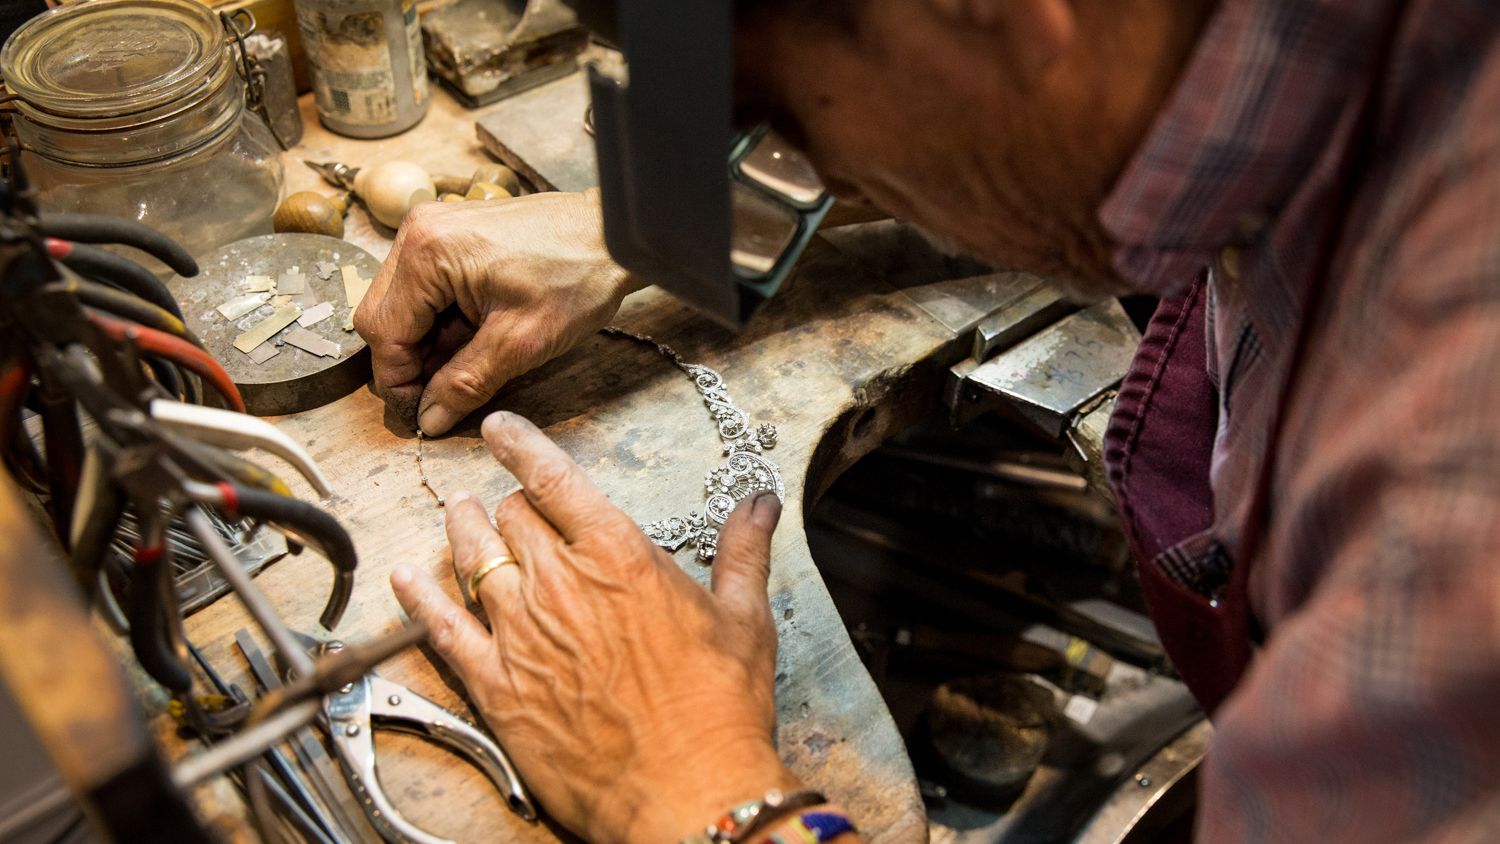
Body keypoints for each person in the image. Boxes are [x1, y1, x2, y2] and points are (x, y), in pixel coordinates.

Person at [356, 0, 1500, 841]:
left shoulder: (1449, 497)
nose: (765, 153)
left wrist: (684, 777)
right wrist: (642, 223)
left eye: (773, 119)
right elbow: (1021, 106)